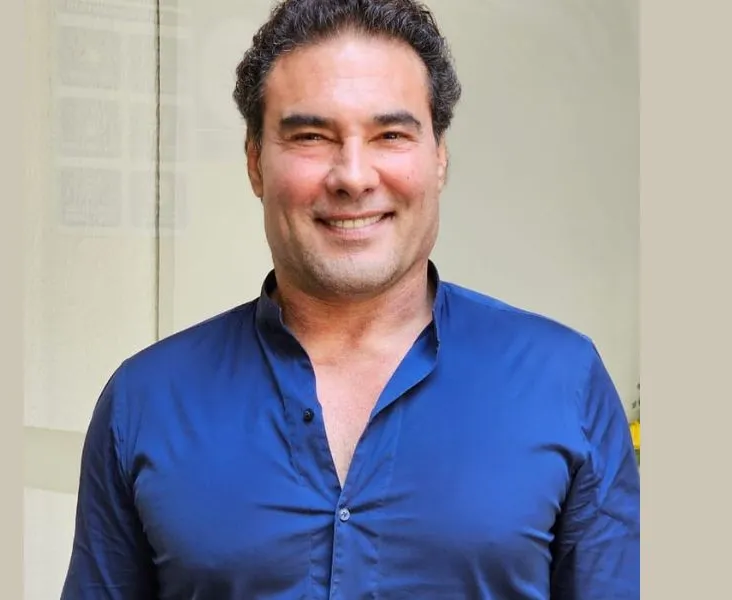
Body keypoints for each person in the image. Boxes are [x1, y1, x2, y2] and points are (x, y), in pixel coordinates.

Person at [61, 0, 640, 598]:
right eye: (311, 136)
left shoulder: (563, 383)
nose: (354, 177)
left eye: (390, 135)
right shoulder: (145, 402)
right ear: (255, 162)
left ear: (439, 157)